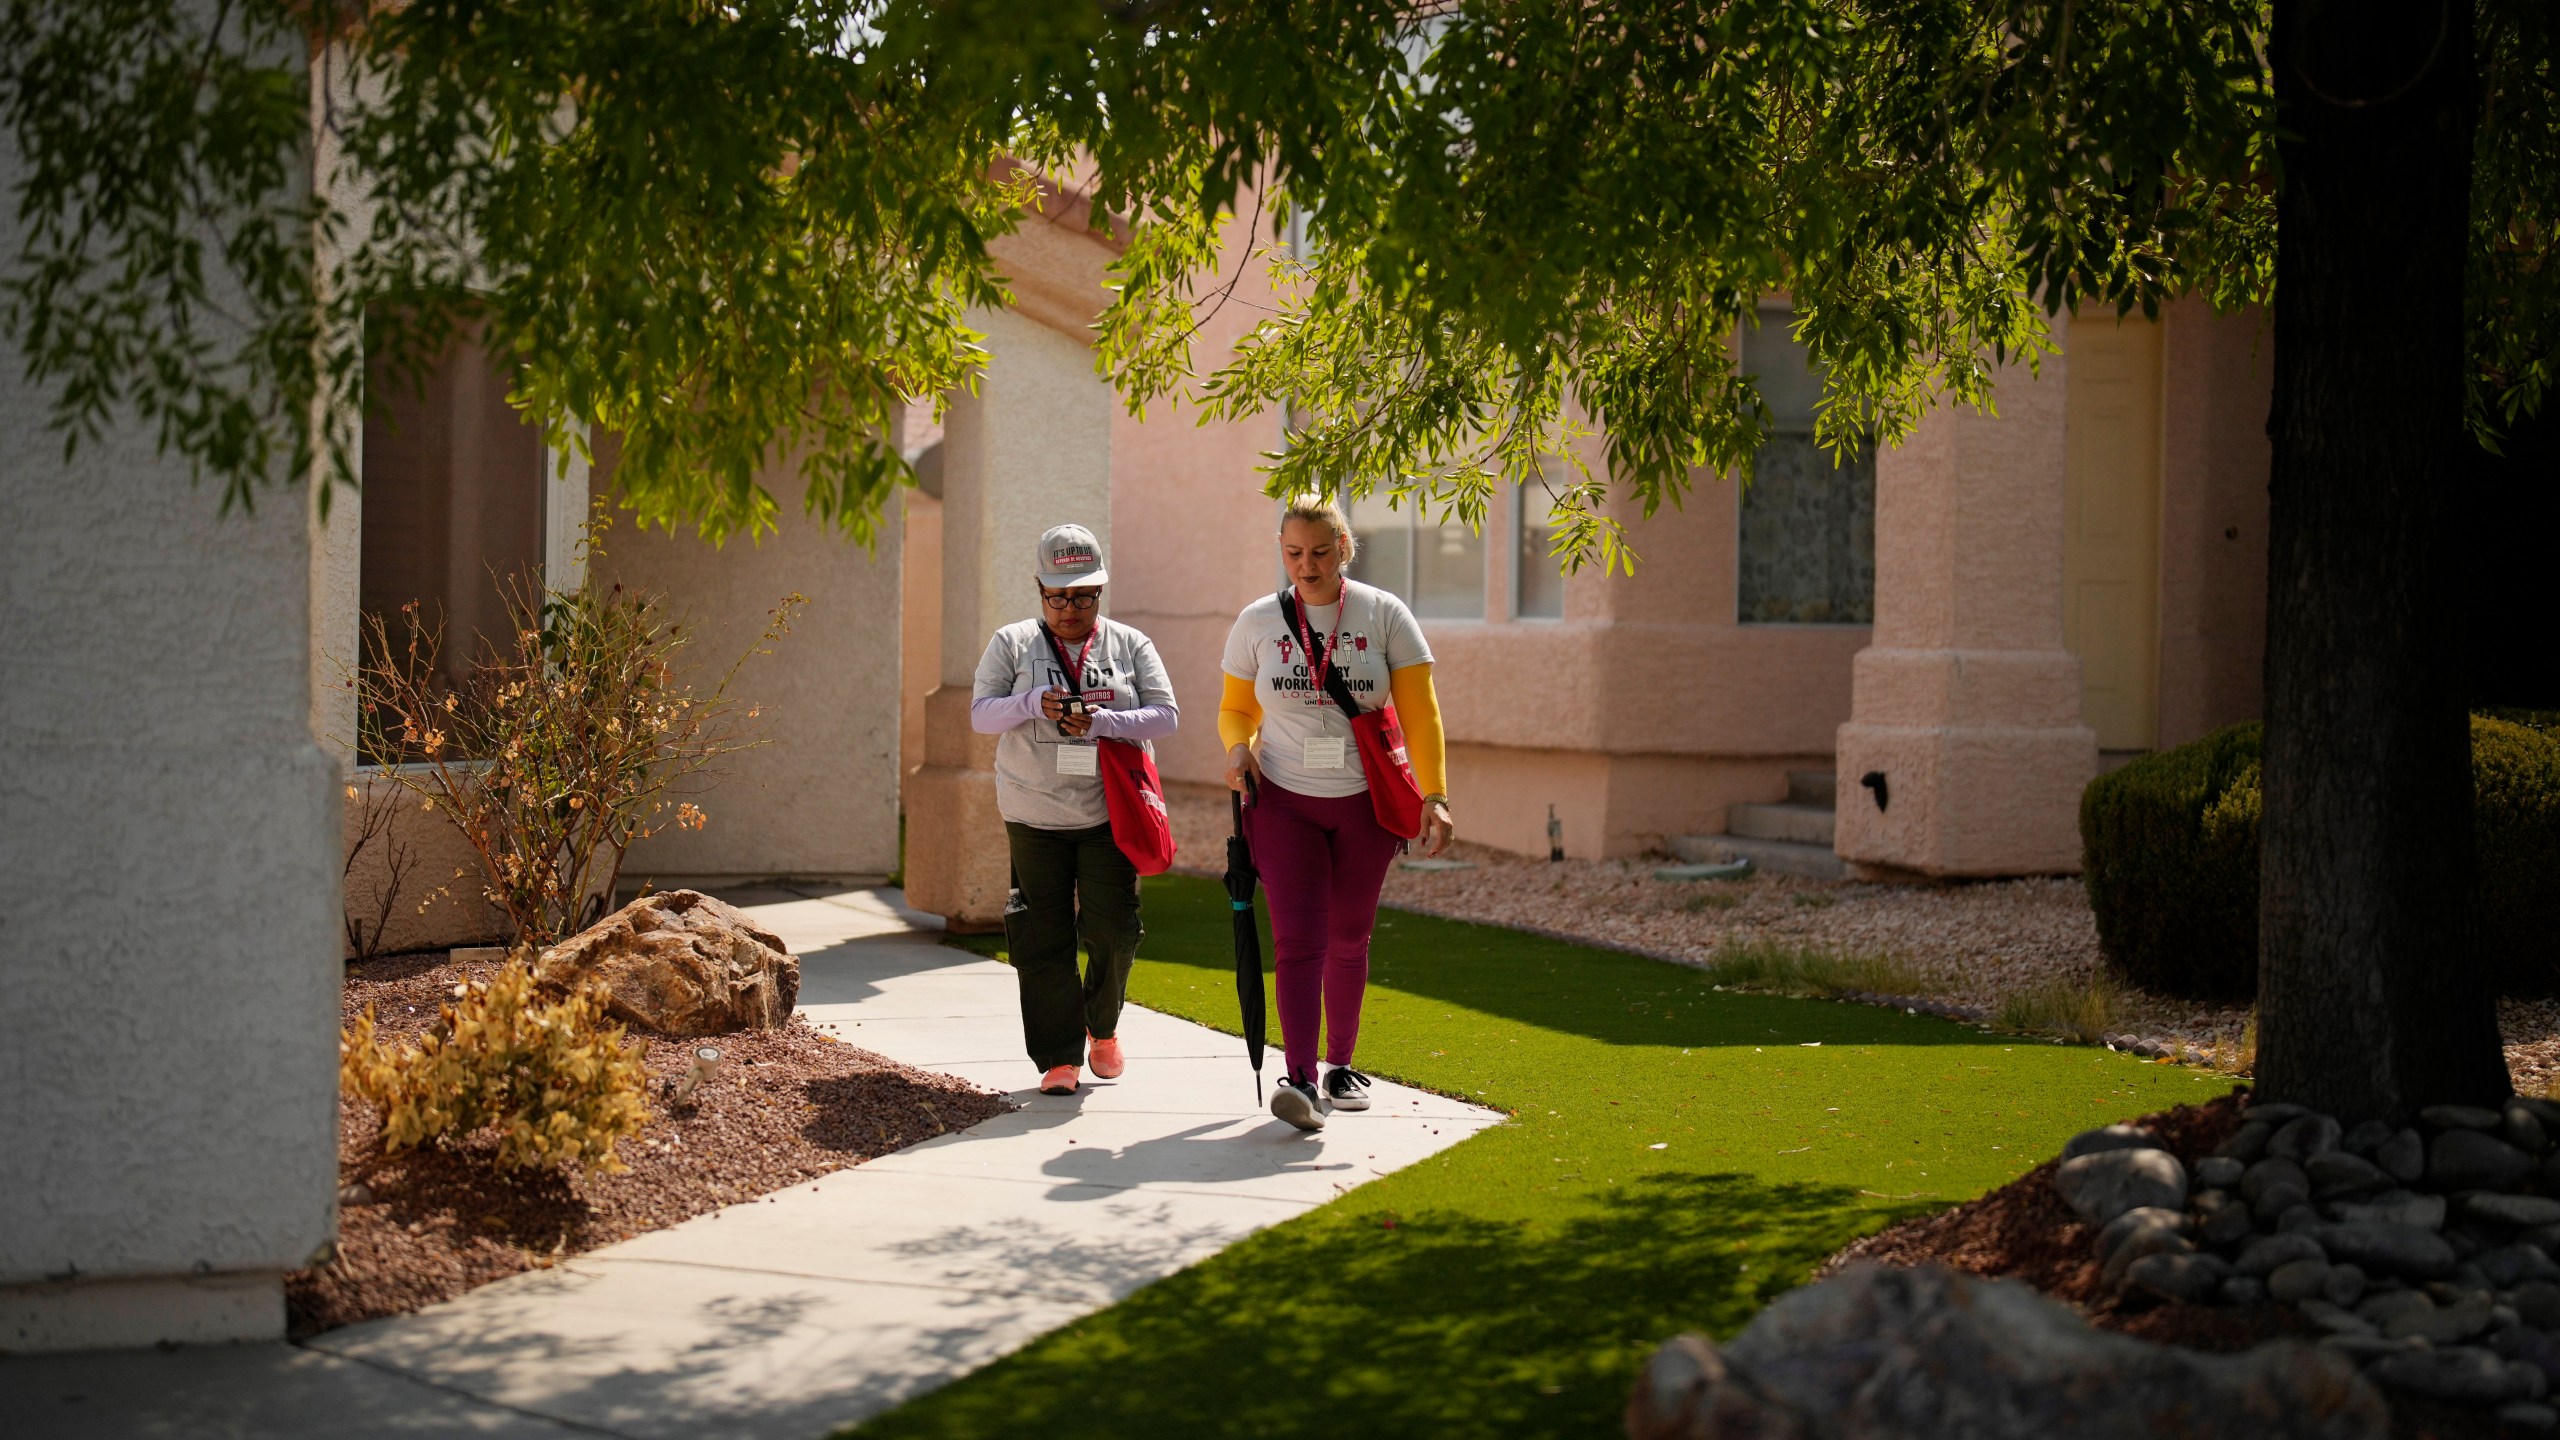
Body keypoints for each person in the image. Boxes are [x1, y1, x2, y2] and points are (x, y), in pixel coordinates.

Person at [1219, 499, 1454, 1131]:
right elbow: (1236, 708)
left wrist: (1435, 794)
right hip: (1283, 800)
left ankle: (1339, 1065)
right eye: (1294, 553)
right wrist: (1238, 747)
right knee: (1299, 938)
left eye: (1320, 552)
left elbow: (1421, 712)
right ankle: (1296, 1077)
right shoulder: (1259, 621)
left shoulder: (1383, 614)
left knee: (1348, 936)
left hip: (1365, 803)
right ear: (1281, 548)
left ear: (1345, 547)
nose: (1307, 565)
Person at [971, 524, 1178, 1096]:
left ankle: (1102, 1027)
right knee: (1042, 937)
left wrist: (1105, 721)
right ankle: (1058, 1057)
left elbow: (1166, 715)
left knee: (1113, 931)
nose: (1069, 609)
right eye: (1057, 596)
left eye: (1082, 596)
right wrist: (1033, 701)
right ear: (1039, 589)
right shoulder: (1012, 643)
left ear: (1100, 593)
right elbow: (982, 714)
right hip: (1032, 812)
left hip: (1109, 815)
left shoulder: (1129, 644)